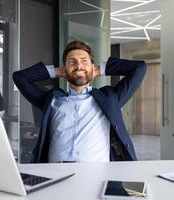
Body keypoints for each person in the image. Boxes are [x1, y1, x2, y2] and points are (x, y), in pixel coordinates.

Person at [13, 40, 146, 163]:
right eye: (72, 61)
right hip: (54, 175)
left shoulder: (110, 99)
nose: (78, 65)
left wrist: (100, 70)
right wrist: (58, 71)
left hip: (96, 176)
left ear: (92, 67)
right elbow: (19, 77)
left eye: (84, 61)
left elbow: (139, 68)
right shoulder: (52, 101)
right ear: (65, 68)